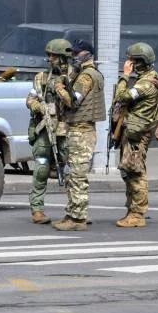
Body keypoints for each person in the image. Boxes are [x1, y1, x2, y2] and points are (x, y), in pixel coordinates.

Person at [52, 40, 104, 231]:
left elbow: (72, 101)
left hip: (82, 131)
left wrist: (59, 88)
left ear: (87, 54)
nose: (74, 56)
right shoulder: (82, 74)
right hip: (78, 130)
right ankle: (72, 213)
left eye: (78, 53)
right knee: (72, 175)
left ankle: (78, 219)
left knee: (77, 176)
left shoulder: (87, 76)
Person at [111, 42, 158, 228]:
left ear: (140, 62)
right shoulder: (149, 79)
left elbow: (122, 96)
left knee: (135, 172)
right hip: (134, 131)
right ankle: (132, 209)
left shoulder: (145, 84)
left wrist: (125, 75)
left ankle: (137, 214)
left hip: (137, 134)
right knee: (130, 171)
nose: (129, 63)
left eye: (132, 60)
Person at [27, 38, 73, 224]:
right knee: (41, 166)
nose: (50, 59)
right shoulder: (41, 77)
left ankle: (75, 210)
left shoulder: (74, 77)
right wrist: (38, 106)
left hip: (66, 130)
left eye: (54, 56)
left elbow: (74, 102)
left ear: (63, 58)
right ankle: (37, 209)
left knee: (71, 170)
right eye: (49, 55)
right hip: (45, 129)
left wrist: (61, 89)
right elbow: (30, 98)